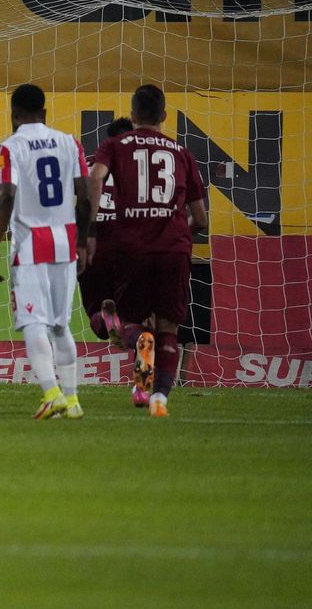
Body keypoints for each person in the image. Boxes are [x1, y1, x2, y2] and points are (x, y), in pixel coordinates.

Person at [89, 85, 207, 418]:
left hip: (131, 249)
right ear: (165, 116)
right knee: (168, 328)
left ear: (132, 114)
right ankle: (157, 398)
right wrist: (175, 231)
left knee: (133, 324)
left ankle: (141, 384)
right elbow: (201, 218)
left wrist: (91, 226)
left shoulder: (115, 145)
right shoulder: (182, 152)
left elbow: (97, 177)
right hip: (173, 249)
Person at [0, 84, 91, 420]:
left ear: (14, 114)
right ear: (44, 113)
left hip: (31, 244)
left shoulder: (10, 146)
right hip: (66, 241)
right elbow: (85, 196)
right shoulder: (70, 142)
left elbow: (6, 195)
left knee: (32, 320)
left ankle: (50, 393)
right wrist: (84, 240)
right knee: (61, 325)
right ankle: (72, 401)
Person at [76, 116, 152, 407]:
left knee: (98, 316)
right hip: (131, 244)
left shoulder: (89, 163)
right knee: (137, 324)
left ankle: (106, 319)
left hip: (95, 242)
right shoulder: (146, 166)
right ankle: (142, 388)